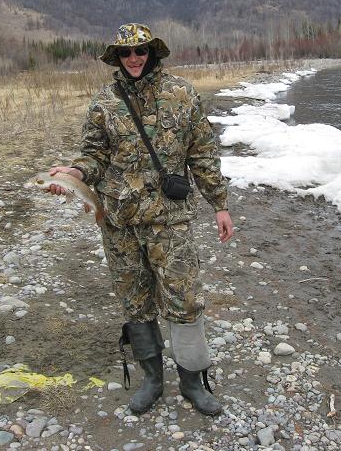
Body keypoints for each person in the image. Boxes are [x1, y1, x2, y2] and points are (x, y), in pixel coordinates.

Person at [49, 23, 233, 416]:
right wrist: (74, 174)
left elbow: (202, 153)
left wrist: (219, 203)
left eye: (140, 51)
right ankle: (152, 379)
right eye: (125, 53)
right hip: (120, 223)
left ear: (152, 53)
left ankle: (192, 382)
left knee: (185, 301)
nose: (133, 59)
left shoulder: (182, 95)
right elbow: (93, 156)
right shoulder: (104, 102)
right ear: (116, 57)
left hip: (170, 222)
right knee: (135, 302)